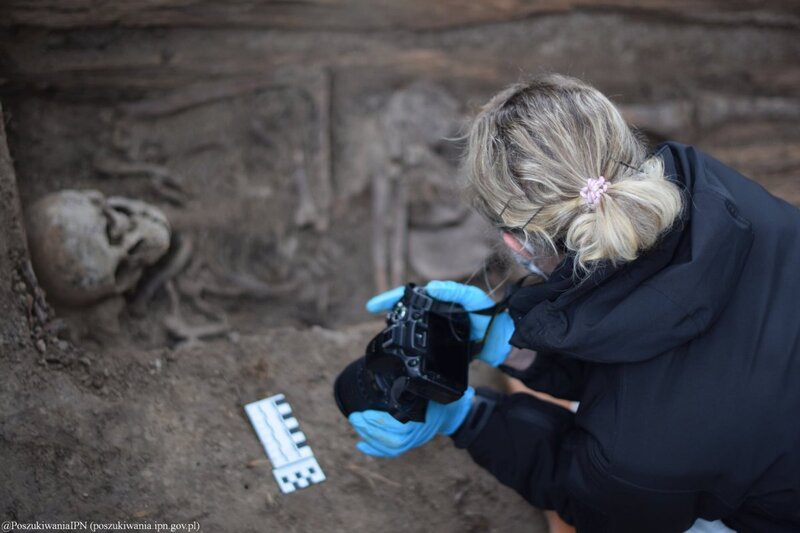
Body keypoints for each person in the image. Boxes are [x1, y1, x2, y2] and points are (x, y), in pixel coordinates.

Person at [346, 74, 800, 533]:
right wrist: (507, 343)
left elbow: (590, 498)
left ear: (516, 245)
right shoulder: (713, 187)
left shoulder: (634, 455)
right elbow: (661, 347)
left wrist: (470, 419)